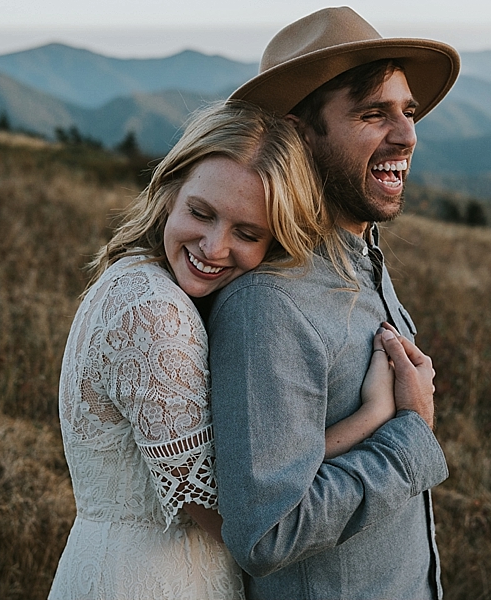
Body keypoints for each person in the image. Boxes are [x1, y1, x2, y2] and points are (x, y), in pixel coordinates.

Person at [47, 101, 411, 599]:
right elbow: (245, 516)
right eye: (201, 213)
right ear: (170, 191)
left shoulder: (134, 277)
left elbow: (246, 481)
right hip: (154, 581)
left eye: (247, 233)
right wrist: (374, 417)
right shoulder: (156, 314)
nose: (215, 247)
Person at [207, 7, 460, 600]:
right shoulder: (267, 304)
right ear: (298, 133)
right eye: (374, 113)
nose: (406, 134)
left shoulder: (360, 252)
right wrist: (410, 437)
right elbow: (266, 532)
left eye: (408, 111)